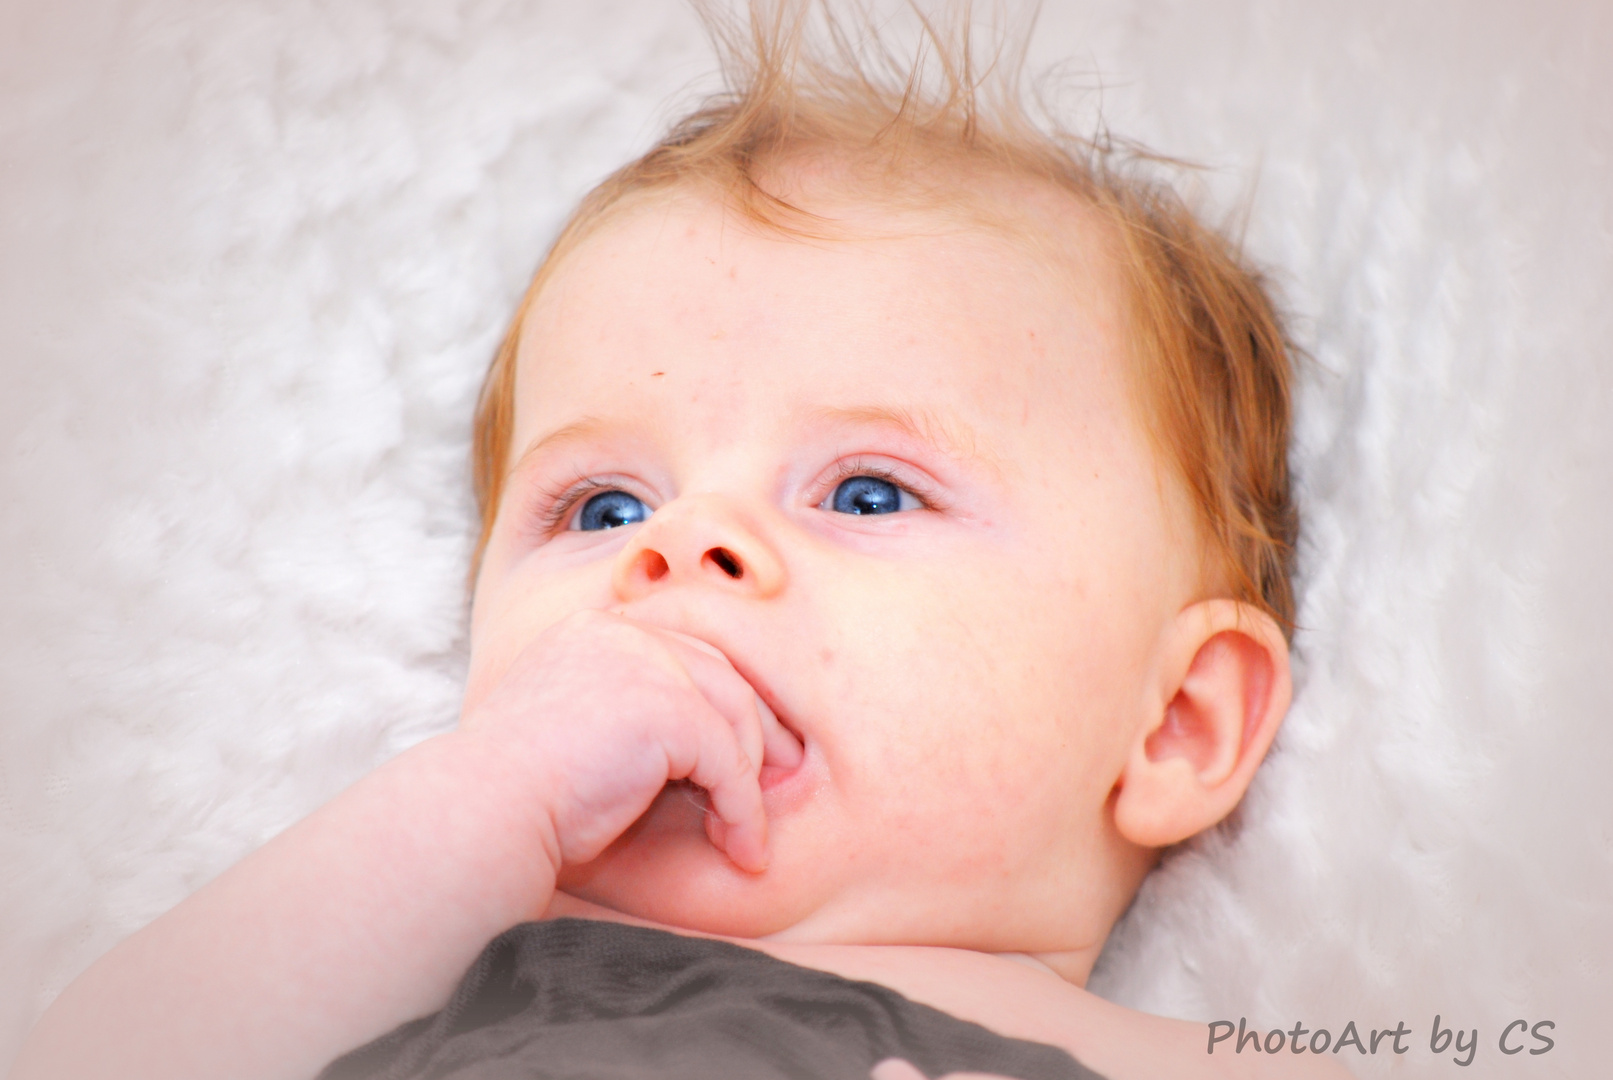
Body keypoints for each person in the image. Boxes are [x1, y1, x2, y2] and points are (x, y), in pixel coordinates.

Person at [12, 4, 1346, 1078]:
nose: (682, 545)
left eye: (868, 494)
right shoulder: (415, 956)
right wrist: (491, 789)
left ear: (1173, 723)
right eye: (601, 511)